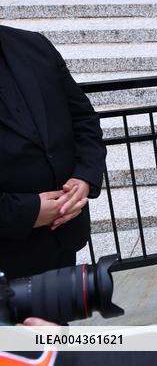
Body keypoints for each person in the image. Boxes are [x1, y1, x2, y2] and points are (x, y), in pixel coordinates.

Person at [0, 25, 105, 280]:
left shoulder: (35, 45)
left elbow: (84, 120)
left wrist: (84, 177)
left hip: (61, 239)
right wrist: (26, 212)